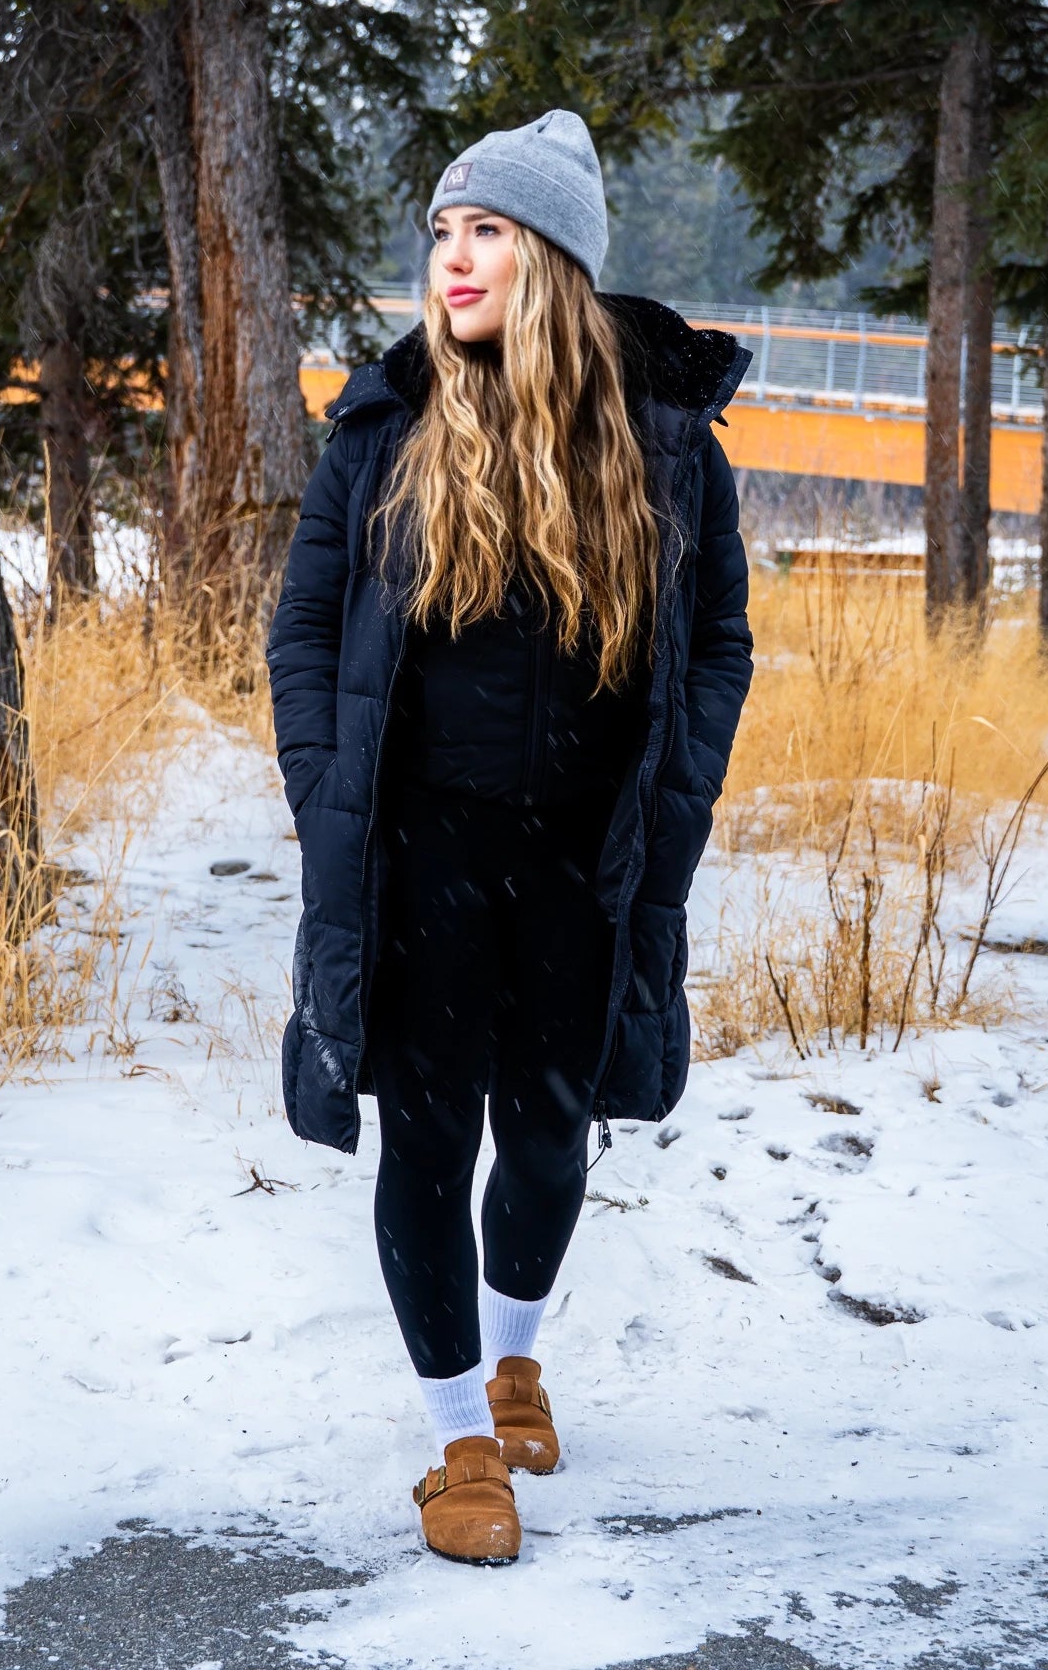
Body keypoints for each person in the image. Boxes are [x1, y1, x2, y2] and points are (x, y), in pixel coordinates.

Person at [266, 109, 754, 1566]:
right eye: (442, 231)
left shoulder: (666, 446)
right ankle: (458, 1440)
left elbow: (719, 644)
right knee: (423, 1135)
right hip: (418, 851)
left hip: (580, 858)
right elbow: (301, 629)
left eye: (485, 230)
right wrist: (323, 786)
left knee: (549, 1129)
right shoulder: (383, 428)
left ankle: (517, 1349)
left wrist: (679, 796)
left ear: (551, 258)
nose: (453, 257)